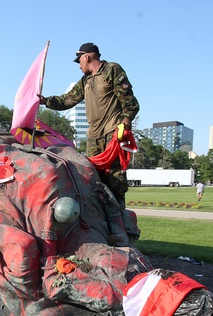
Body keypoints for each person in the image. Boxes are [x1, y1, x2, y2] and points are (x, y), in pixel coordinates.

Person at [39, 42, 139, 207]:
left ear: (87, 56)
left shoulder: (111, 70)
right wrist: (45, 101)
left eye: (79, 61)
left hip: (112, 132)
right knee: (91, 178)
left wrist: (126, 122)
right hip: (94, 136)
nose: (79, 65)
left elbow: (130, 102)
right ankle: (97, 218)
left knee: (115, 181)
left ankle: (120, 221)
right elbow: (67, 99)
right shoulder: (85, 80)